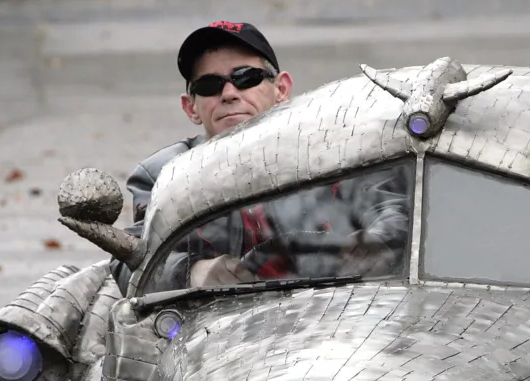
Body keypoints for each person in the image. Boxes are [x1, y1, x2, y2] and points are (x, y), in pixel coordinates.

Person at [115, 21, 410, 293]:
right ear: (191, 107)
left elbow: (398, 206)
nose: (229, 93)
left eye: (246, 78)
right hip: (213, 331)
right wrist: (191, 272)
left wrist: (379, 242)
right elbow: (128, 260)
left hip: (340, 313)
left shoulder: (339, 149)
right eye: (209, 85)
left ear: (281, 88)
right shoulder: (163, 175)